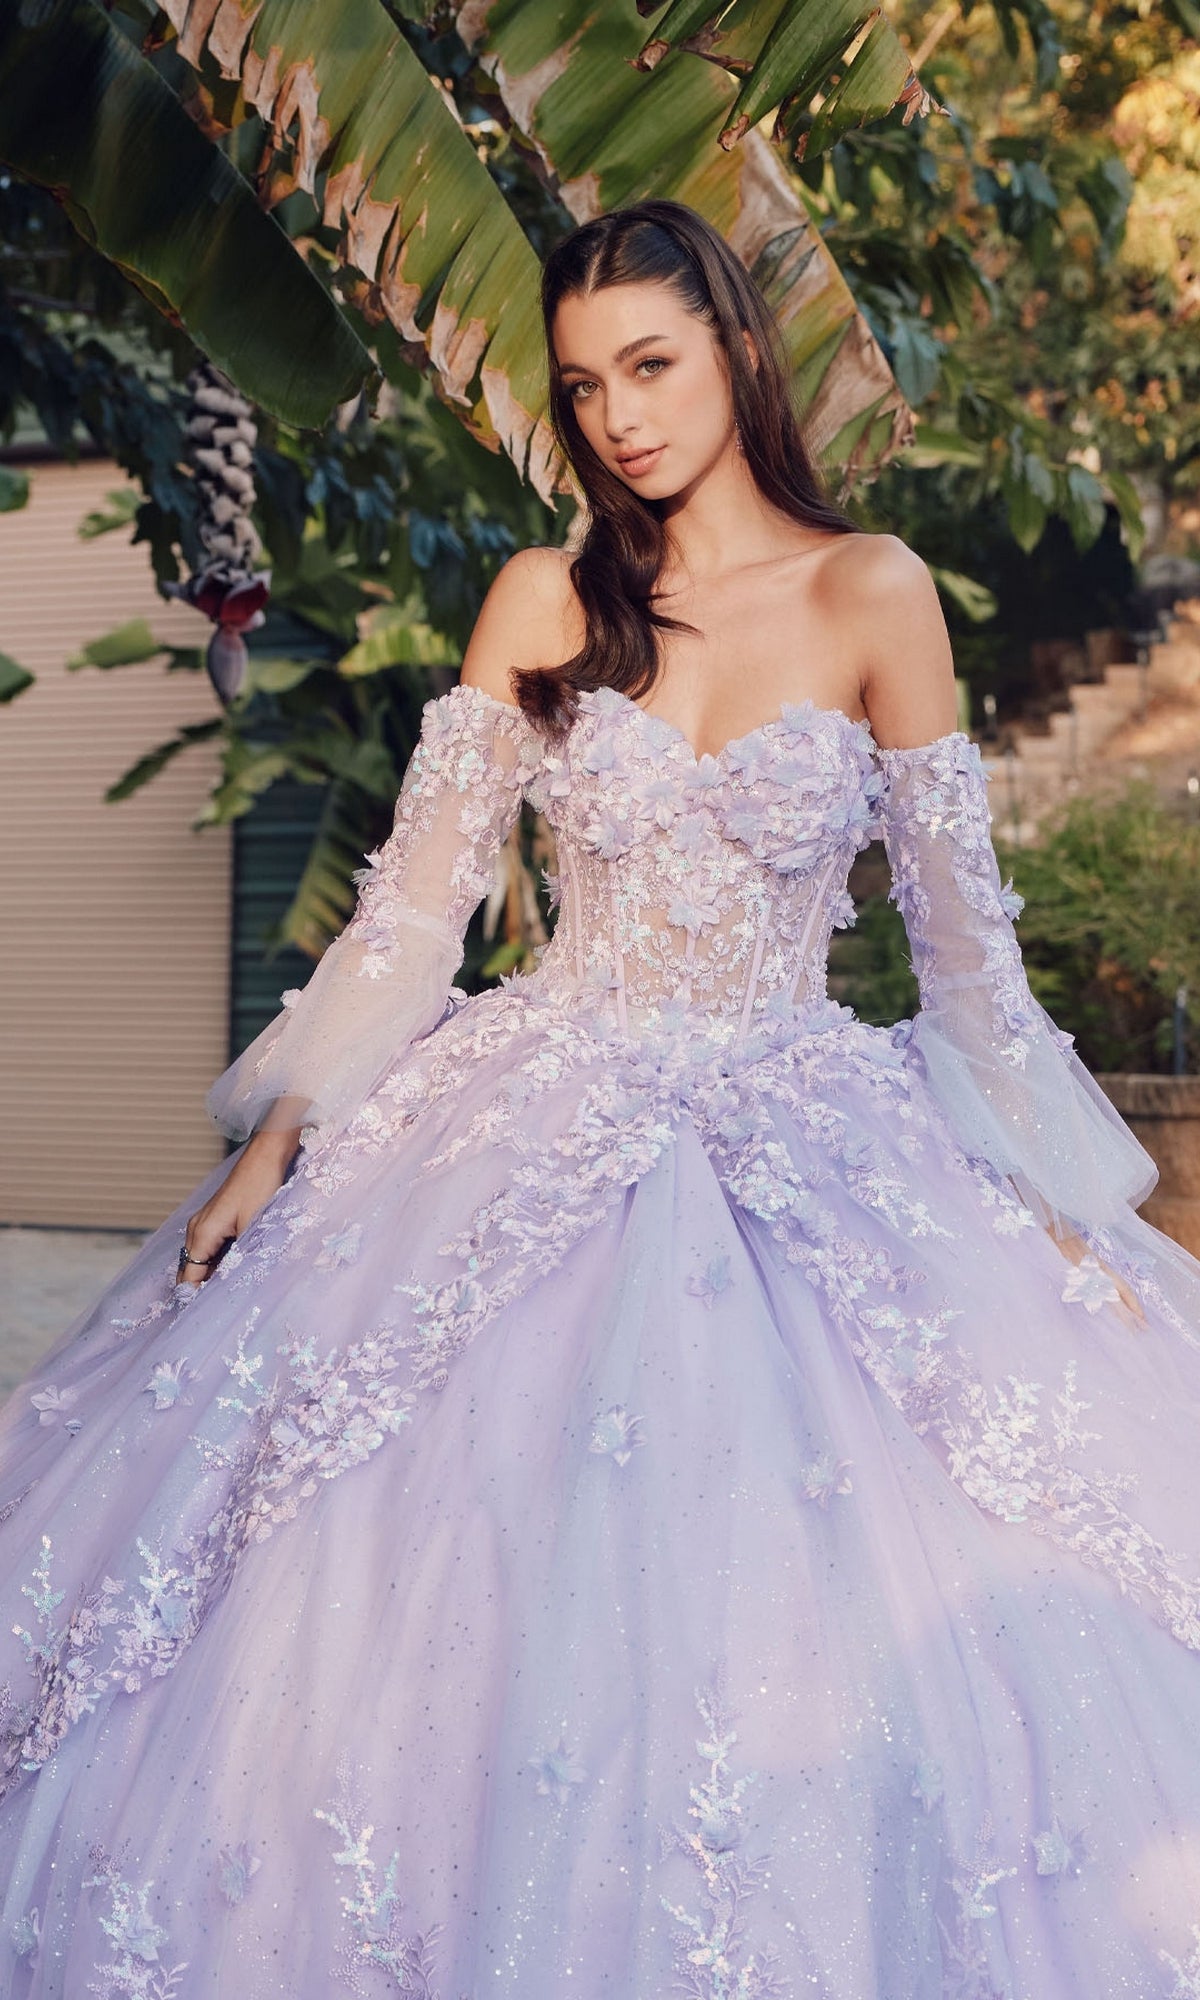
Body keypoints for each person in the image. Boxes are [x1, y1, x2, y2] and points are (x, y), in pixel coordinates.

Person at [1, 198, 1199, 2000]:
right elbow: (416, 910)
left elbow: (970, 975)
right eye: (585, 386)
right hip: (530, 1098)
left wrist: (1076, 1220)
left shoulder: (874, 589)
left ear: (733, 348)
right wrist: (280, 1141)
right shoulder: (547, 598)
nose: (622, 415)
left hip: (807, 1128)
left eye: (652, 364)